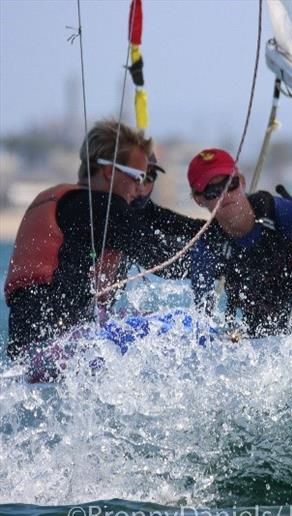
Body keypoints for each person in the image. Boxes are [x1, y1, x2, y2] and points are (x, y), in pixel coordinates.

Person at [4, 119, 202, 359]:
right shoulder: (103, 208)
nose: (140, 189)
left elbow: (162, 221)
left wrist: (214, 231)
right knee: (184, 325)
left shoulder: (69, 202)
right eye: (138, 177)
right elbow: (166, 259)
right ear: (109, 172)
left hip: (26, 352)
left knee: (141, 317)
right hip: (58, 352)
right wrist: (221, 260)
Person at [186, 148, 292, 335]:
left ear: (241, 182)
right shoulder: (208, 246)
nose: (225, 195)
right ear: (199, 200)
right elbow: (202, 316)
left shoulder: (275, 210)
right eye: (212, 191)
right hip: (264, 333)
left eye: (229, 184)